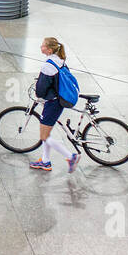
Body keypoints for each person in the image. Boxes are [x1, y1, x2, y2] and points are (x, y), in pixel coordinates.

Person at [27, 37, 80, 173]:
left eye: (43, 46)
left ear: (49, 50)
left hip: (53, 103)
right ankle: (45, 161)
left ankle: (71, 157)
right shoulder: (59, 60)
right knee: (47, 132)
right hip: (57, 99)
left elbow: (41, 90)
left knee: (44, 136)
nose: (41, 47)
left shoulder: (48, 65)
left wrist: (39, 90)